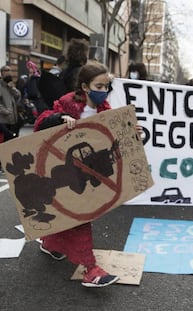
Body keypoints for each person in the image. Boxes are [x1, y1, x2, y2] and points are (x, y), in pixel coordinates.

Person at [34, 61, 122, 287]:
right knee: (80, 218)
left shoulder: (105, 110)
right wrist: (59, 119)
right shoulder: (67, 103)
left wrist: (135, 133)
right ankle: (90, 269)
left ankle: (50, 243)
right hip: (69, 169)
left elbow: (114, 139)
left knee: (76, 217)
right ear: (85, 86)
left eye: (106, 87)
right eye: (99, 86)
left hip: (89, 172)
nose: (104, 92)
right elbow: (41, 123)